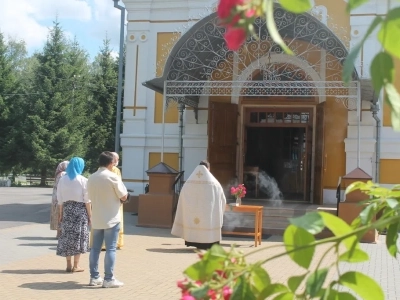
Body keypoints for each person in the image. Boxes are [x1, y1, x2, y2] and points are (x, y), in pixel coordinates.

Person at [87, 151, 128, 288]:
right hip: (111, 217)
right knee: (110, 249)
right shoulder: (112, 177)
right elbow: (123, 196)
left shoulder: (91, 177)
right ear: (111, 163)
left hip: (97, 217)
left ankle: (94, 277)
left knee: (95, 249)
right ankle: (108, 278)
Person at [171, 160, 227, 250]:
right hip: (208, 215)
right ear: (208, 168)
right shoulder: (215, 184)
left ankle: (195, 243)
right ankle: (208, 244)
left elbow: (182, 197)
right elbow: (222, 199)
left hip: (193, 213)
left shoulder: (188, 183)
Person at [56, 157, 91, 272]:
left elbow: (59, 199)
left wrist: (60, 214)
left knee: (67, 237)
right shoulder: (83, 180)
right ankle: (76, 266)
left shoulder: (62, 179)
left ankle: (68, 265)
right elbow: (87, 200)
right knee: (79, 238)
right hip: (80, 211)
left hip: (67, 210)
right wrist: (90, 216)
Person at [89, 151, 124, 250]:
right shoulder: (115, 172)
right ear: (111, 161)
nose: (116, 162)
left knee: (95, 247)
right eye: (116, 160)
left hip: (98, 205)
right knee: (111, 248)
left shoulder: (95, 174)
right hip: (112, 203)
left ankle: (97, 246)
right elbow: (121, 191)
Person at [50, 160, 69, 239]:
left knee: (58, 215)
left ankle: (58, 233)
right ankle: (60, 233)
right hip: (61, 198)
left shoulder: (58, 174)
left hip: (55, 198)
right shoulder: (63, 174)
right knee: (61, 215)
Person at [111, 152, 124, 249]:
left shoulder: (98, 170)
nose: (118, 161)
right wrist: (123, 196)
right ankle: (115, 242)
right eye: (117, 159)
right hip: (114, 199)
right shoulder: (115, 170)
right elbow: (118, 186)